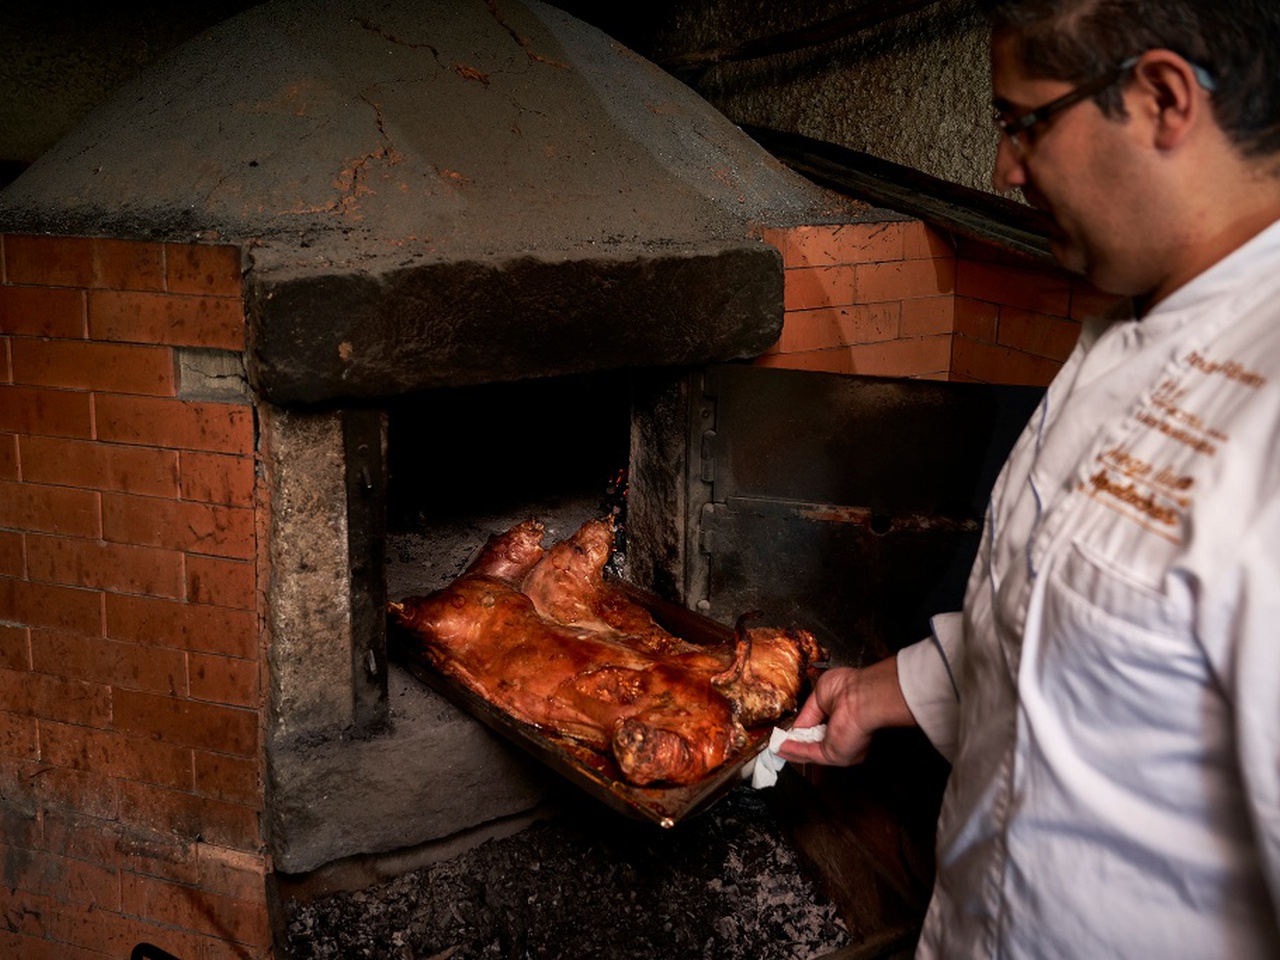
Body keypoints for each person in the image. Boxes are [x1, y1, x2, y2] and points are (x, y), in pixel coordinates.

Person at [777, 0, 1280, 956]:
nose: (1005, 168)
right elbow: (1073, 619)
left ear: (1163, 98)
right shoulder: (1129, 323)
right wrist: (880, 692)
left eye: (1024, 122)